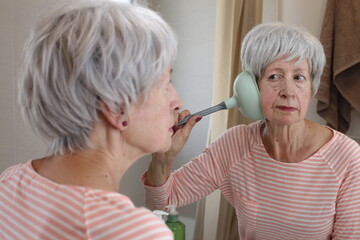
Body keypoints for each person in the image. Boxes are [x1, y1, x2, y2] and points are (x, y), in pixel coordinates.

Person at [143, 22, 360, 239]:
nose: (288, 91)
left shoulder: (347, 157)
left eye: (298, 77)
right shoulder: (235, 144)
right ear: (251, 88)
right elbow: (162, 201)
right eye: (274, 76)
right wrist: (163, 156)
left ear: (312, 88)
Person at [0, 1, 197, 239]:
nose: (178, 102)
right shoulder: (133, 232)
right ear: (116, 108)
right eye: (166, 83)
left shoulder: (9, 181)